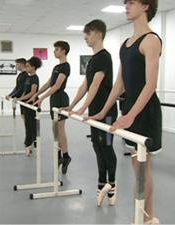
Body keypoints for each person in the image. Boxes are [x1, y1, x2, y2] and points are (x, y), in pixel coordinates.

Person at [89, 0, 161, 223]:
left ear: (146, 6)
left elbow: (151, 84)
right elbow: (119, 84)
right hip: (129, 107)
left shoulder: (151, 40)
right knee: (136, 165)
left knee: (142, 166)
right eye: (125, 3)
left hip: (145, 110)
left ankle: (144, 217)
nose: (126, 6)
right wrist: (103, 111)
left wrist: (131, 115)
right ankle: (146, 217)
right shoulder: (126, 44)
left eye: (131, 2)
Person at [63, 19, 118, 206]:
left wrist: (82, 108)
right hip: (95, 112)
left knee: (107, 147)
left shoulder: (104, 57)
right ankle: (101, 184)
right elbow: (85, 84)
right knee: (98, 147)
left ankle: (112, 186)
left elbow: (95, 85)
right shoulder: (93, 59)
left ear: (98, 34)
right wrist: (72, 106)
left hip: (107, 111)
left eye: (88, 33)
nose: (85, 37)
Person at [30, 41, 72, 174]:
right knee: (54, 129)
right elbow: (49, 83)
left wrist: (42, 98)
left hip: (61, 99)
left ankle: (66, 156)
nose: (54, 52)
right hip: (54, 99)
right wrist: (36, 94)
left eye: (57, 49)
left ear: (63, 51)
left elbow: (57, 86)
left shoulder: (66, 66)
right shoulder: (56, 67)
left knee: (60, 129)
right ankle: (59, 154)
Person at [15, 56, 41, 156]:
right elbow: (25, 91)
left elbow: (33, 93)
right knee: (28, 124)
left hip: (31, 103)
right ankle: (30, 142)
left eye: (28, 66)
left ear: (33, 67)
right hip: (25, 103)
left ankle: (29, 144)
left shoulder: (35, 78)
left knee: (30, 125)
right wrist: (19, 98)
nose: (26, 68)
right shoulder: (28, 77)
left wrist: (20, 99)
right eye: (25, 66)